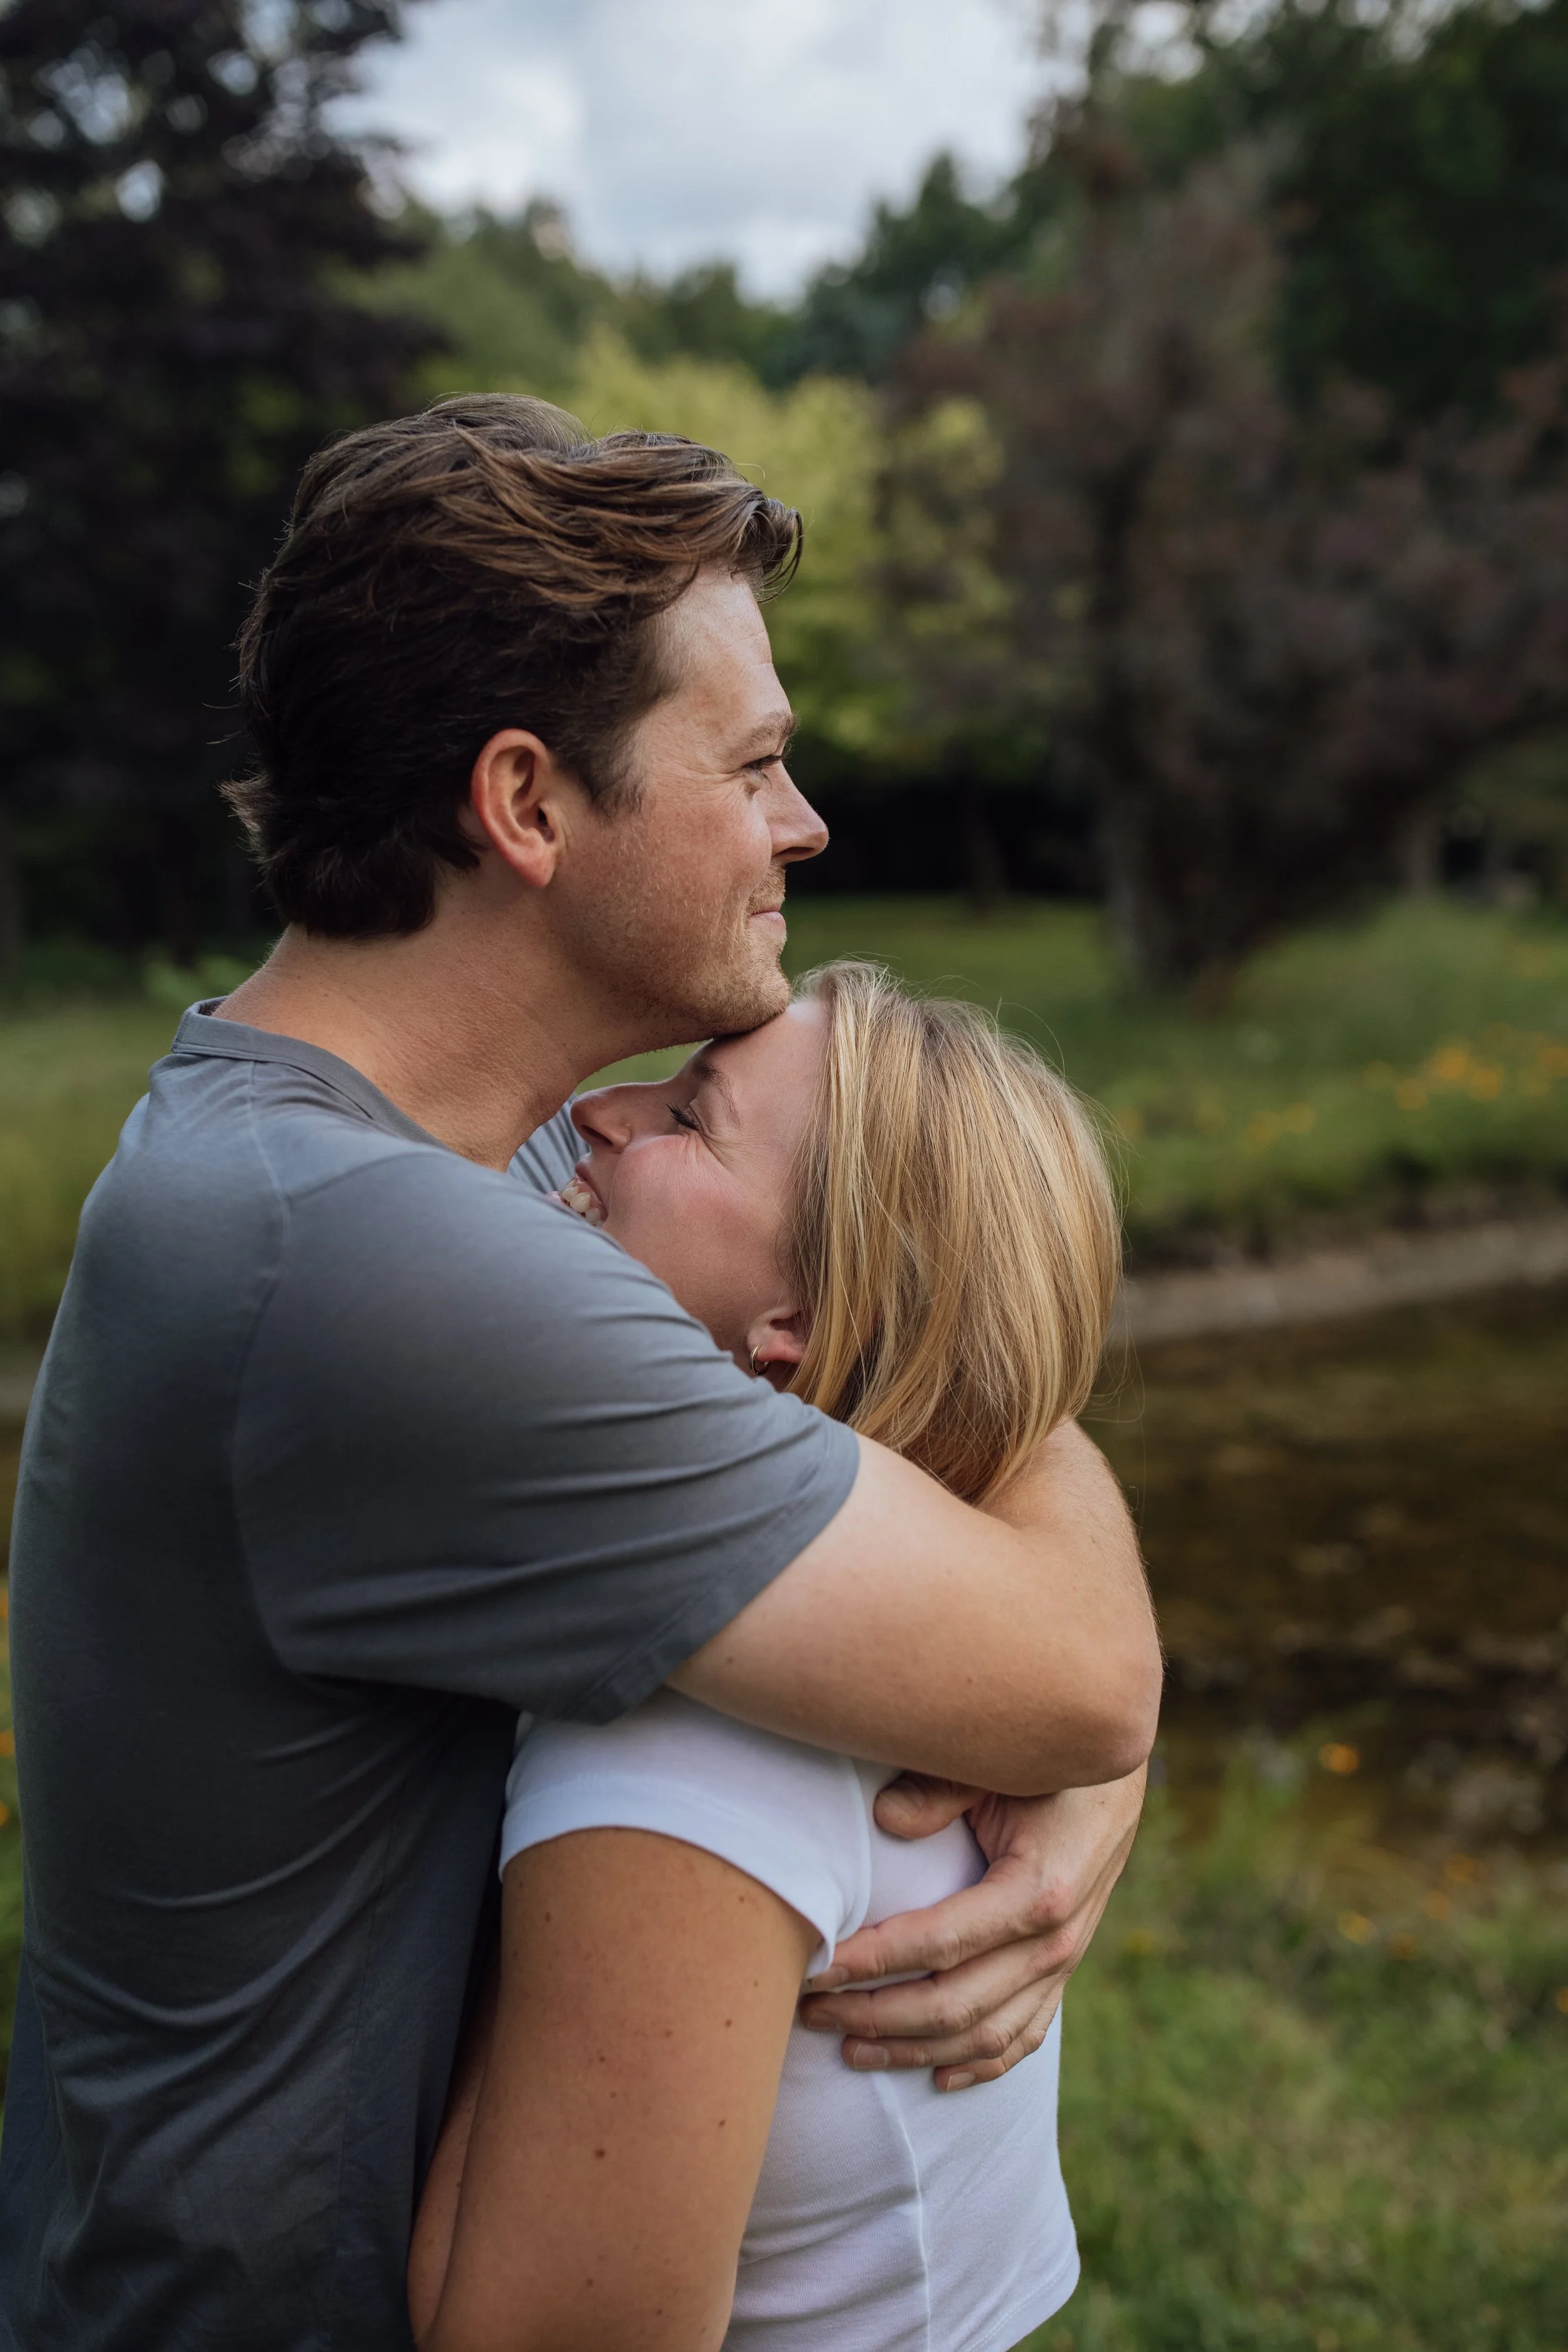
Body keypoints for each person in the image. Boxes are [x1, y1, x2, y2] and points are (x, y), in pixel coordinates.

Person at [0, 396, 1159, 2352]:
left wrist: (1078, 1766)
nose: (804, 822)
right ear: (528, 804)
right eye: (754, 762)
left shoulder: (440, 1163)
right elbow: (1073, 1668)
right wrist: (1081, 1762)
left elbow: (950, 1378)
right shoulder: (376, 1258)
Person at [409, 960, 1125, 2352]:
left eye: (689, 1117)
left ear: (788, 1331)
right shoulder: (928, 1616)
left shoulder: (688, 1746)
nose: (596, 1115)